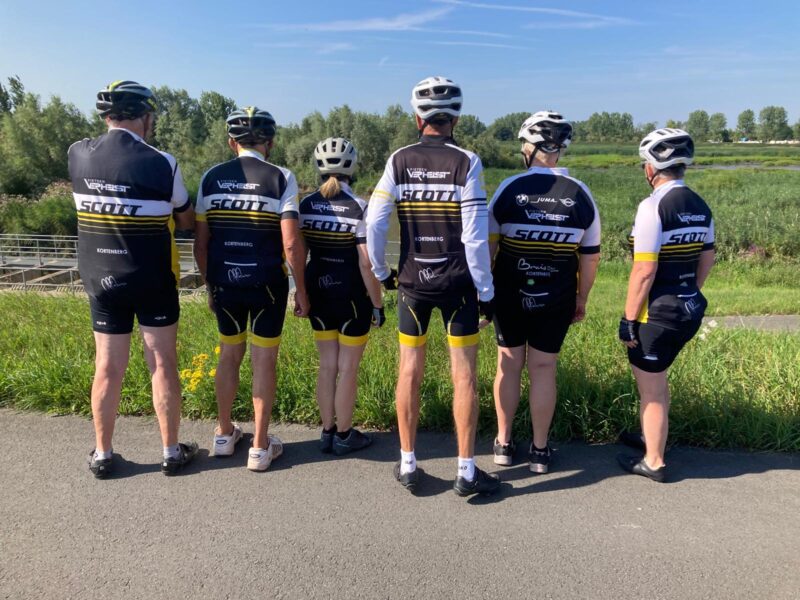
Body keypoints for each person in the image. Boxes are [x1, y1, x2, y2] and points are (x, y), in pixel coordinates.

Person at [367, 76, 499, 496]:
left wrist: (381, 271)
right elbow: (474, 236)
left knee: (409, 370)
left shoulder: (399, 159)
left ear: (417, 117)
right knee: (464, 376)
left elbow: (374, 222)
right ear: (456, 118)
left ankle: (408, 464)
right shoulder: (467, 162)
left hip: (412, 284)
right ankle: (466, 471)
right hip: (459, 286)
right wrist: (486, 292)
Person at [69, 80, 198, 478]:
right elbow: (186, 219)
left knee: (107, 366)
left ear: (106, 116)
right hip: (151, 278)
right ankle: (171, 451)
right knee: (162, 363)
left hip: (100, 278)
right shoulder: (162, 162)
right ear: (144, 116)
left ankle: (103, 454)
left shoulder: (77, 153)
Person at [193, 107, 309, 472]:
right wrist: (301, 289)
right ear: (270, 143)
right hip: (266, 286)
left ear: (232, 143)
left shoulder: (211, 177)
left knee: (229, 354)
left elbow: (201, 243)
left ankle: (224, 434)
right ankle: (259, 446)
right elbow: (291, 244)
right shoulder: (281, 177)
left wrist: (209, 284)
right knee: (263, 361)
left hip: (224, 282)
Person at [488, 111, 601, 473]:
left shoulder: (509, 188)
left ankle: (504, 444)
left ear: (530, 148)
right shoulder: (581, 194)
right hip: (558, 296)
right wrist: (582, 298)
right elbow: (590, 257)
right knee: (543, 368)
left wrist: (484, 292)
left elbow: (488, 247)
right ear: (559, 150)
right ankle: (539, 450)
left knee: (509, 364)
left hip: (509, 294)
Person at [617, 128, 715, 482]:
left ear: (651, 168)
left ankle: (654, 461)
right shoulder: (700, 204)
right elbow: (707, 258)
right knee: (657, 382)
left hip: (656, 314)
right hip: (688, 308)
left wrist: (628, 319)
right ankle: (651, 435)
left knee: (652, 390)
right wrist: (687, 291)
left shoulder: (652, 207)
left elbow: (644, 270)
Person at [298, 137, 385, 454]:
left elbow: (298, 254)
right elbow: (366, 263)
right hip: (351, 296)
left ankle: (327, 432)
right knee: (348, 367)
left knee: (326, 365)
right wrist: (378, 305)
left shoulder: (305, 206)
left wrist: (300, 293)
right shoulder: (360, 206)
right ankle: (345, 435)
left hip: (317, 291)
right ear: (353, 167)